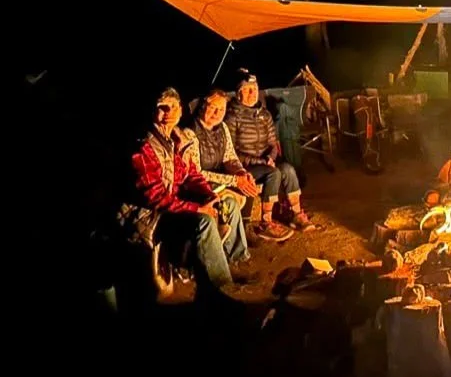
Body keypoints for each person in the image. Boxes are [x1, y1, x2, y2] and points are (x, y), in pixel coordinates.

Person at [117, 88, 246, 292]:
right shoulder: (144, 147)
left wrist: (209, 196)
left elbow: (191, 174)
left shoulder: (176, 139)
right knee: (203, 221)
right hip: (148, 214)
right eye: (162, 108)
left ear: (180, 110)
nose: (169, 112)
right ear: (153, 111)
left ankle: (225, 264)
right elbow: (156, 197)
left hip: (172, 203)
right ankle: (222, 288)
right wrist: (197, 209)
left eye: (174, 107)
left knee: (225, 204)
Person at [183, 89, 283, 244]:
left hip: (219, 181)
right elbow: (196, 173)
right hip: (199, 186)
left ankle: (245, 236)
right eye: (213, 108)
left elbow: (230, 156)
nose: (217, 113)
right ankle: (235, 240)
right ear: (203, 106)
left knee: (249, 181)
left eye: (221, 109)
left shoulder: (222, 128)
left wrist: (241, 172)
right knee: (234, 198)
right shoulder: (190, 134)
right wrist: (234, 180)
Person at [225, 69, 315, 233]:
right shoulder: (232, 117)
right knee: (273, 173)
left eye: (255, 88)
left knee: (287, 169)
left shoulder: (264, 114)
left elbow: (273, 143)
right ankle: (266, 221)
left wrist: (271, 157)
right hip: (246, 166)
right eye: (247, 90)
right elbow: (230, 151)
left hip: (266, 161)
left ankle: (296, 213)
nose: (253, 93)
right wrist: (261, 161)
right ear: (239, 93)